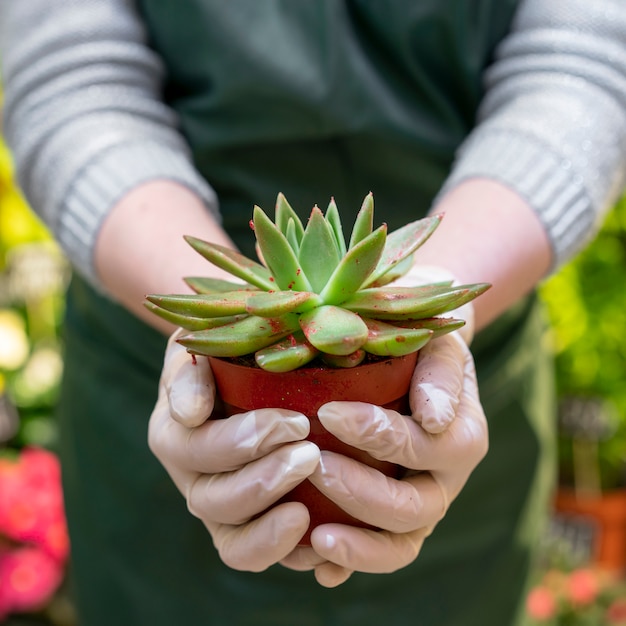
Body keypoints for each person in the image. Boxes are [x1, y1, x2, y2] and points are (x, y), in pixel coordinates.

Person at [1, 1, 625, 624]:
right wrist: (217, 326)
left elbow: (585, 56)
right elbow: (69, 73)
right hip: (156, 341)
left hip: (467, 317)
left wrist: (431, 296)